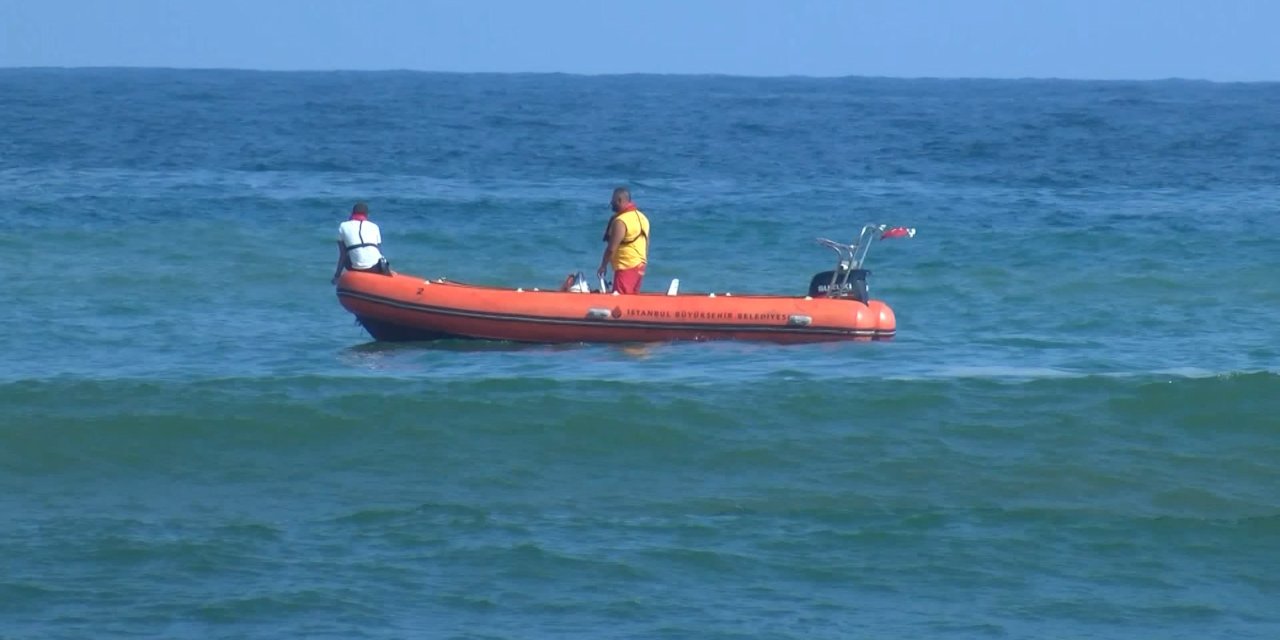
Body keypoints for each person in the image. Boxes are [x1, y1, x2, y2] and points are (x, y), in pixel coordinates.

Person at [597, 187, 650, 294]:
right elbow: (646, 243)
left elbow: (611, 248)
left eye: (613, 200)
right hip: (640, 266)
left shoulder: (621, 221)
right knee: (631, 300)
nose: (611, 202)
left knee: (621, 299)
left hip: (626, 266)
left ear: (620, 200)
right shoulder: (643, 218)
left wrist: (603, 266)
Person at [332, 202, 389, 283]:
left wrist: (337, 276)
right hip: (375, 267)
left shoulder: (343, 226)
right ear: (367, 215)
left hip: (356, 267)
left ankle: (354, 279)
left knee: (348, 254)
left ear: (352, 213)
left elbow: (343, 255)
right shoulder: (374, 226)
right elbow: (378, 250)